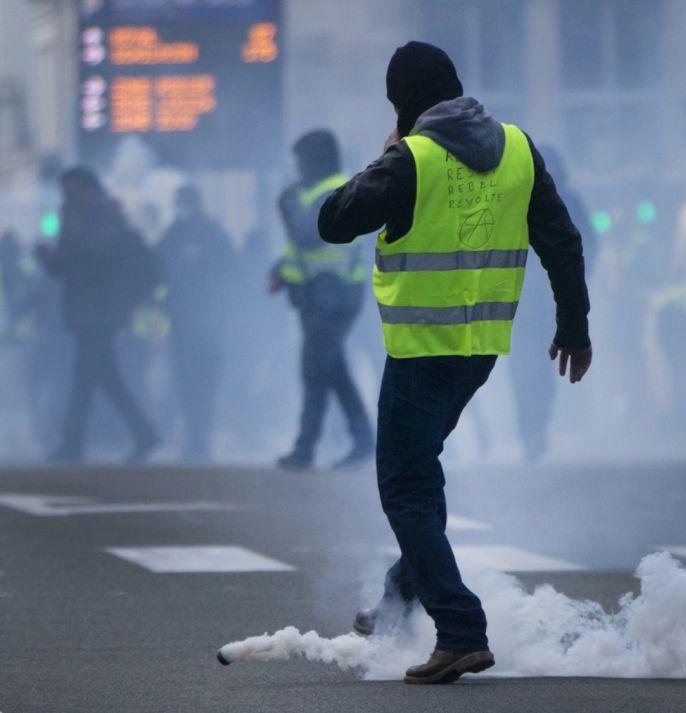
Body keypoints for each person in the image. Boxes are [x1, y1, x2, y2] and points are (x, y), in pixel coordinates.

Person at [318, 41, 592, 684]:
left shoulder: (411, 158)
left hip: (420, 353)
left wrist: (387, 150)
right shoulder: (519, 147)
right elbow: (563, 240)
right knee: (421, 479)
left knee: (406, 487)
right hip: (479, 350)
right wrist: (574, 329)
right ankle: (394, 602)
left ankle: (461, 629)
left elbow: (333, 221)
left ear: (404, 100)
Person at [36, 167, 160, 463]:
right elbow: (69, 264)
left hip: (98, 312)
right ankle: (144, 434)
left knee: (84, 381)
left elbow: (86, 260)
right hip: (89, 311)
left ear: (83, 188)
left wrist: (53, 258)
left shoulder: (97, 218)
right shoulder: (81, 216)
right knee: (106, 380)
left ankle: (74, 444)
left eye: (70, 189)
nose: (66, 195)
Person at [270, 130, 373, 470]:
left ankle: (305, 448)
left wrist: (286, 204)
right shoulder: (320, 192)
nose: (296, 168)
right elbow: (303, 249)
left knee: (315, 371)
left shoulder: (333, 192)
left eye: (300, 160)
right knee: (333, 372)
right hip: (324, 295)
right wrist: (282, 272)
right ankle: (363, 440)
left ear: (317, 159)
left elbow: (310, 237)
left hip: (334, 295)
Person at [510, 146, 593, 462]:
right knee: (529, 371)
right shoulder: (539, 199)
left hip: (538, 303)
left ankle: (534, 431)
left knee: (533, 370)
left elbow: (584, 247)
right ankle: (532, 431)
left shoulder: (564, 200)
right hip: (530, 302)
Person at [157, 184, 235, 462]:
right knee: (185, 382)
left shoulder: (212, 234)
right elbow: (159, 270)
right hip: (182, 322)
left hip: (209, 322)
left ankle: (201, 438)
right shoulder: (172, 235)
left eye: (185, 202)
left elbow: (229, 270)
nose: (182, 208)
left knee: (205, 381)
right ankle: (194, 437)